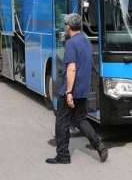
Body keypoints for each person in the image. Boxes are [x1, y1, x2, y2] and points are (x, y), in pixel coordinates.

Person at [46, 13, 108, 164]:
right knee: (80, 119)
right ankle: (99, 145)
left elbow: (71, 69)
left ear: (68, 27)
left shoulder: (71, 43)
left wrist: (68, 92)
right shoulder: (86, 41)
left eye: (65, 25)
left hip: (71, 89)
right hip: (83, 89)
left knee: (61, 121)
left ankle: (63, 156)